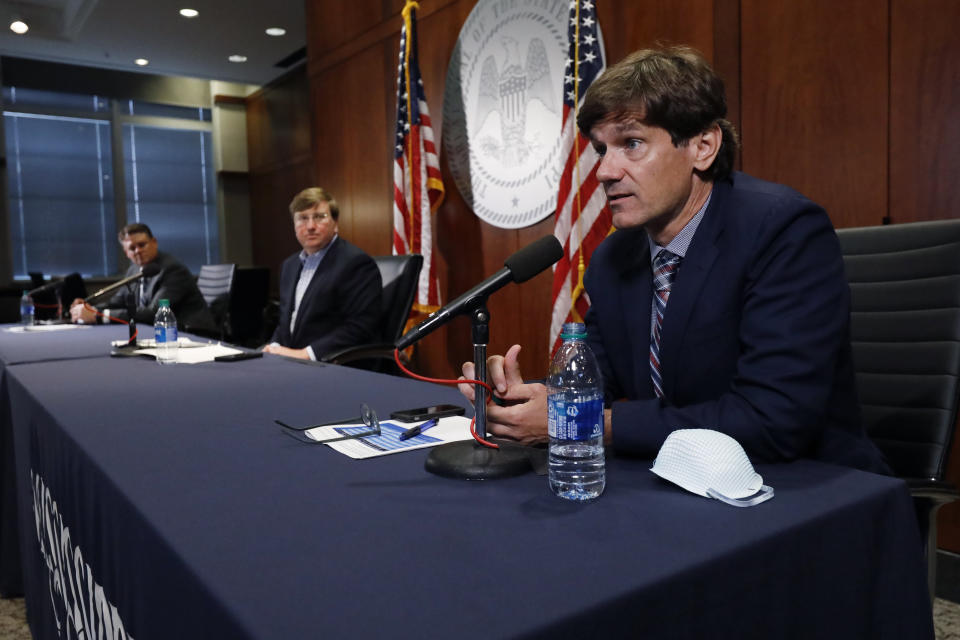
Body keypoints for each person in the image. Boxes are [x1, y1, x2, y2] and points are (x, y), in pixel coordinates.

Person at [458, 46, 888, 473]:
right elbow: (598, 382)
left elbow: (773, 419)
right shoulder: (613, 258)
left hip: (812, 488)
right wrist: (530, 400)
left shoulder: (783, 232)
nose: (606, 171)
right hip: (681, 480)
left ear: (702, 147)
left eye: (631, 143)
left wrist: (584, 423)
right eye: (601, 150)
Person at [263, 187, 382, 361]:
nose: (310, 226)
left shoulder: (356, 264)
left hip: (333, 365)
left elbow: (361, 326)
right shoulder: (289, 266)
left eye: (319, 217)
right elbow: (285, 323)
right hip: (291, 362)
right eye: (303, 218)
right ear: (294, 225)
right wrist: (273, 347)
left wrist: (306, 354)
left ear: (336, 223)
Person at [70, 223, 215, 333]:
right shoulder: (134, 270)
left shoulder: (172, 270)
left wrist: (99, 315)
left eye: (142, 245)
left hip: (192, 333)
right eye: (132, 248)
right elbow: (117, 302)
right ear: (126, 252)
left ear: (154, 243)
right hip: (158, 333)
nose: (138, 251)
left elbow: (155, 314)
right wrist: (89, 308)